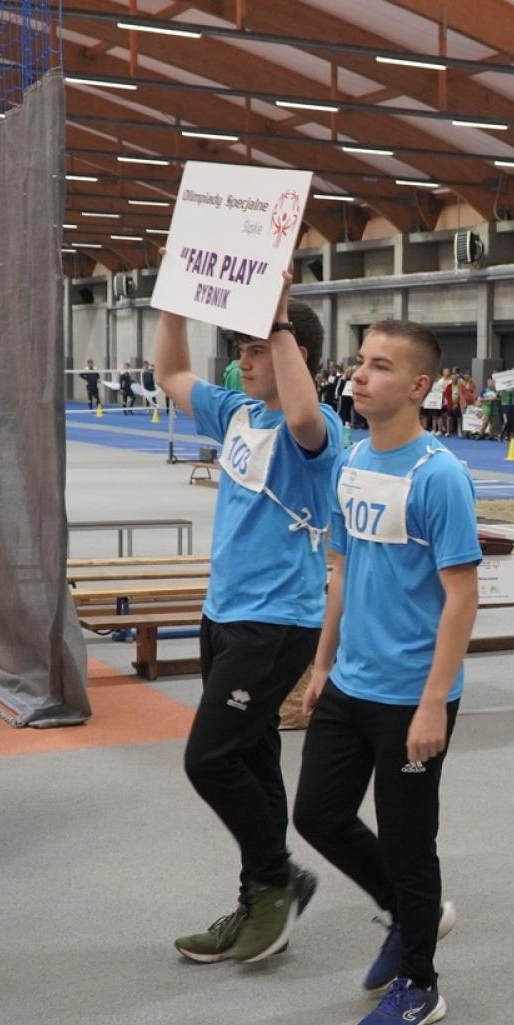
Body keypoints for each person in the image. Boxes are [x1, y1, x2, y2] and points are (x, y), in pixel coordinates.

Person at [293, 318, 480, 1025]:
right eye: (358, 363)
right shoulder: (350, 461)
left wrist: (435, 700)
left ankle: (422, 985)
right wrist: (321, 664)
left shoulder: (439, 476)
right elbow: (339, 569)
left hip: (412, 696)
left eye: (377, 366)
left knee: (410, 844)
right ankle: (411, 914)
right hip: (350, 683)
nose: (359, 376)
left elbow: (461, 596)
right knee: (318, 815)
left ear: (418, 386)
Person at [153, 277, 343, 967]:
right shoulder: (236, 411)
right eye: (241, 347)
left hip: (277, 621)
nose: (244, 358)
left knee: (207, 759)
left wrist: (282, 322)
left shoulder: (318, 428)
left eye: (258, 348)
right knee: (253, 755)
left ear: (295, 353)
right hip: (224, 612)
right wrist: (173, 300)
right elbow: (171, 371)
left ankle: (277, 880)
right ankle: (256, 895)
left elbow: (301, 421)